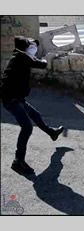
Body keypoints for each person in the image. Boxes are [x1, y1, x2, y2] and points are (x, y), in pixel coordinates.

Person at [0, 36, 64, 175]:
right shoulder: (22, 58)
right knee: (27, 127)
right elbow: (42, 64)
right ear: (25, 47)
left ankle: (51, 133)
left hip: (16, 98)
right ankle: (18, 161)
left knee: (35, 115)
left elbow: (32, 53)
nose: (31, 48)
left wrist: (34, 46)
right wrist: (47, 58)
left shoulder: (19, 56)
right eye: (29, 46)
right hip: (12, 100)